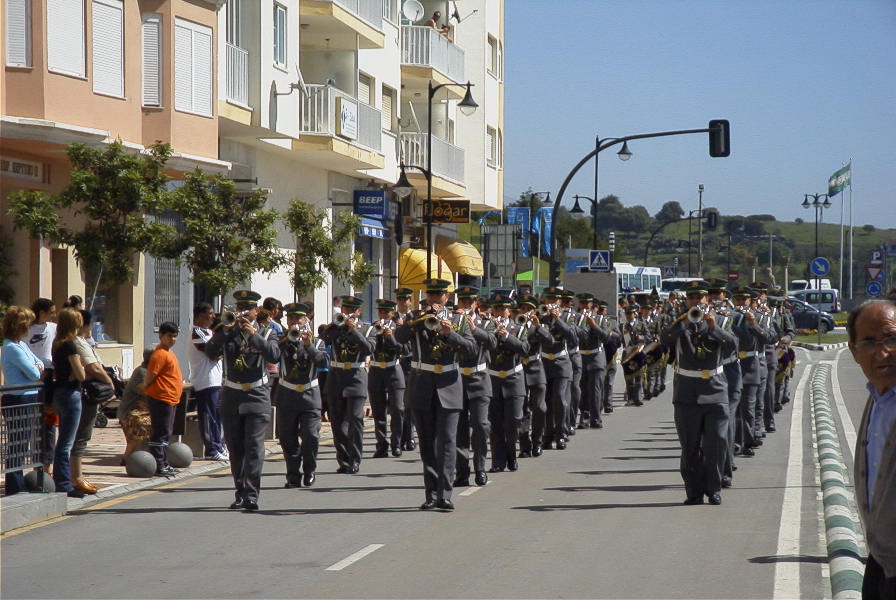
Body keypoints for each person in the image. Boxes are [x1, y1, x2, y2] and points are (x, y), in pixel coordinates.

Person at [395, 279, 476, 511]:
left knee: (448, 442)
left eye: (438, 296)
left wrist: (450, 334)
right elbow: (399, 338)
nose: (434, 299)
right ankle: (430, 494)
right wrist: (419, 321)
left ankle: (445, 494)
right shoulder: (415, 318)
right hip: (421, 384)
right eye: (430, 295)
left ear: (447, 298)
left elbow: (471, 350)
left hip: (449, 384)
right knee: (427, 443)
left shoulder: (459, 320)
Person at [660, 280, 736, 506]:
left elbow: (732, 345)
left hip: (715, 390)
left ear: (707, 300)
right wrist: (682, 322)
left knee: (716, 444)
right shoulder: (678, 323)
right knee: (690, 446)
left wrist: (714, 328)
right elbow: (665, 340)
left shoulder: (723, 320)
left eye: (700, 299)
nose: (696, 302)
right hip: (687, 393)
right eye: (691, 298)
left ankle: (713, 489)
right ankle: (693, 492)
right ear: (687, 301)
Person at [206, 290, 280, 511]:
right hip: (231, 395)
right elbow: (211, 351)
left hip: (257, 396)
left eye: (249, 309)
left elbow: (274, 355)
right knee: (235, 448)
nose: (244, 313)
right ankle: (240, 491)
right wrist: (225, 331)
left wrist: (253, 334)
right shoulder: (228, 331)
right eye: (241, 308)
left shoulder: (267, 332)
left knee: (254, 447)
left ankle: (251, 494)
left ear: (257, 311)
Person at [847, 299, 896, 599]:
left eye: (892, 338)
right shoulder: (877, 399)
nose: (882, 353)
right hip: (880, 561)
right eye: (869, 342)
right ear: (853, 351)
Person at [275, 303, 326, 488]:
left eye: (299, 318)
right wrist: (286, 339)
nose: (295, 322)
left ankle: (310, 469)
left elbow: (322, 361)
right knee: (287, 438)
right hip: (287, 395)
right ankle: (293, 474)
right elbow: (271, 356)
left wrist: (308, 345)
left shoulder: (317, 341)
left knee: (311, 435)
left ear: (306, 320)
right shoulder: (281, 341)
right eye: (291, 319)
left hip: (310, 396)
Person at [321, 296, 373, 474]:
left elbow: (368, 349)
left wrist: (354, 331)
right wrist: (335, 326)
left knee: (355, 421)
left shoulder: (367, 328)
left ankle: (355, 459)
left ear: (358, 312)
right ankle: (343, 459)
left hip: (356, 377)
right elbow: (324, 338)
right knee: (337, 422)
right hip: (335, 377)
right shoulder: (335, 327)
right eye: (345, 309)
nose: (347, 313)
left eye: (351, 310)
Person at [70, 309, 116, 494]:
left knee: (80, 436)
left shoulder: (81, 342)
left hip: (85, 395)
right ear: (84, 325)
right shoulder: (77, 342)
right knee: (80, 436)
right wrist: (109, 382)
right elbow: (93, 367)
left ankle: (76, 476)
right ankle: (76, 477)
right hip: (86, 394)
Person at [1, 306, 43, 495]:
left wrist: (36, 367)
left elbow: (39, 362)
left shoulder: (22, 345)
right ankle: (15, 485)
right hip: (18, 399)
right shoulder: (10, 347)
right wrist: (36, 368)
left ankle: (17, 483)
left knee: (23, 443)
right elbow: (34, 372)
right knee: (17, 444)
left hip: (29, 396)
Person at [137, 321, 184, 478]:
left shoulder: (168, 352)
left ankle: (164, 463)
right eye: (169, 336)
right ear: (161, 335)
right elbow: (151, 374)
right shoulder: (159, 354)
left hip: (170, 398)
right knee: (160, 432)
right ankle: (159, 465)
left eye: (175, 336)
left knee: (166, 432)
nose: (172, 339)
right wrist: (144, 385)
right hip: (161, 397)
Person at [50, 308, 87, 497]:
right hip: (71, 393)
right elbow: (81, 374)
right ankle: (64, 483)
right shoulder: (71, 345)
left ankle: (61, 480)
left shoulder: (56, 344)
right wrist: (79, 366)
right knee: (67, 442)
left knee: (62, 439)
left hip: (59, 392)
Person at [367, 299, 406, 458]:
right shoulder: (373, 328)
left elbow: (405, 350)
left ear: (392, 314)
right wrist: (375, 332)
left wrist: (392, 338)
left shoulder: (399, 329)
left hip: (393, 369)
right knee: (378, 411)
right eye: (380, 312)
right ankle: (381, 445)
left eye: (386, 312)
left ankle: (396, 444)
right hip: (376, 370)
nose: (383, 315)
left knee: (397, 409)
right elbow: (367, 346)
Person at [189, 302, 227, 461]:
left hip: (216, 380)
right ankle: (211, 450)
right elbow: (213, 354)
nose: (213, 316)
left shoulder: (209, 332)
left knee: (217, 415)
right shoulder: (196, 332)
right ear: (200, 316)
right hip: (205, 380)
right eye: (210, 313)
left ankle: (219, 445)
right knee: (209, 416)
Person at [28, 297, 58, 470]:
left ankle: (47, 466)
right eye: (51, 312)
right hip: (30, 378)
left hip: (49, 378)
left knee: (48, 422)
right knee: (32, 422)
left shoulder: (54, 328)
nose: (54, 315)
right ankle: (35, 464)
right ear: (41, 313)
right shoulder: (27, 329)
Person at [117, 348, 154, 464]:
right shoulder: (142, 372)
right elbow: (145, 391)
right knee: (144, 425)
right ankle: (126, 458)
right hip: (131, 412)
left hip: (142, 410)